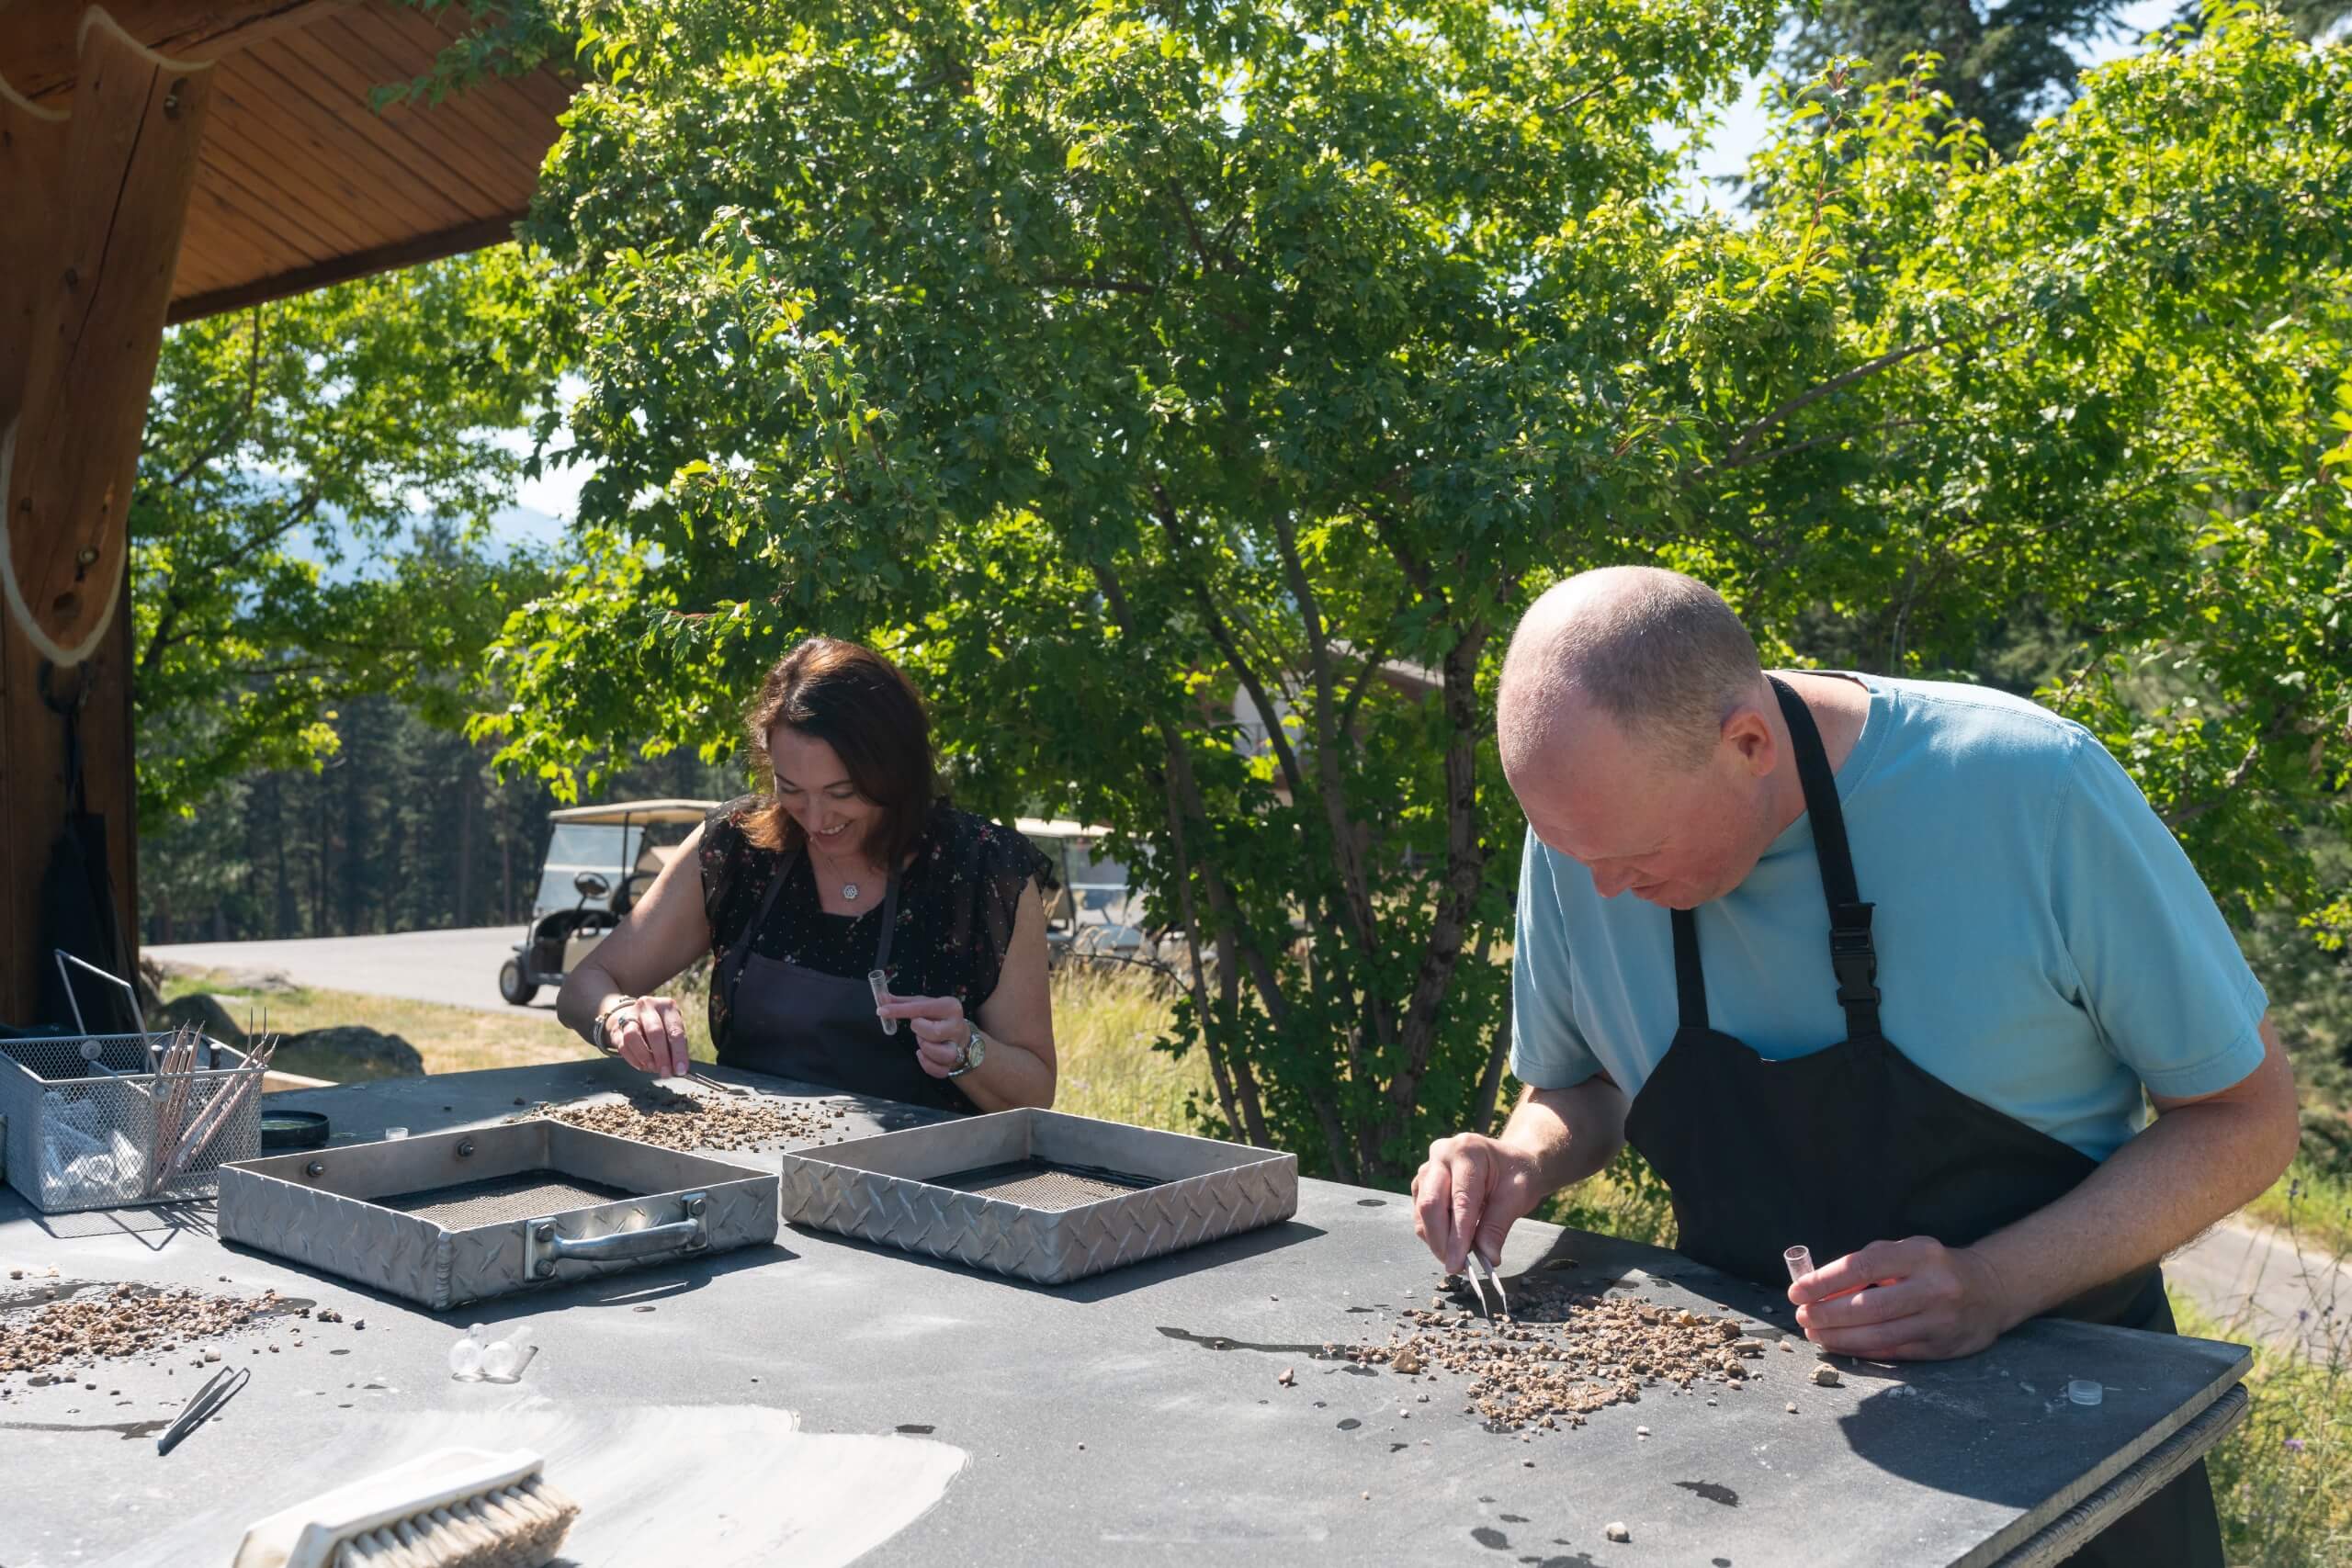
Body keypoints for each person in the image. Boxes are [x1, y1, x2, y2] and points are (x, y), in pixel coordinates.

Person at [1413, 567, 2298, 1568]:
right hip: (1750, 1453)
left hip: (2076, 1451)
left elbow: (2244, 1117)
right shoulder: (1585, 840)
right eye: (1568, 852)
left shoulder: (2028, 790)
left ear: (1747, 743)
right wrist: (1522, 1156)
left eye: (1634, 856)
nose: (1602, 891)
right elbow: (1578, 1087)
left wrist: (1996, 1282)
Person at [558, 637, 1057, 1113]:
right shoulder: (737, 849)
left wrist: (969, 1051)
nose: (816, 819)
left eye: (842, 793)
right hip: (750, 1169)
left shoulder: (985, 870)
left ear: (897, 771)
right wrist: (618, 1017)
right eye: (791, 789)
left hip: (922, 1182)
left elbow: (1036, 1089)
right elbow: (585, 985)